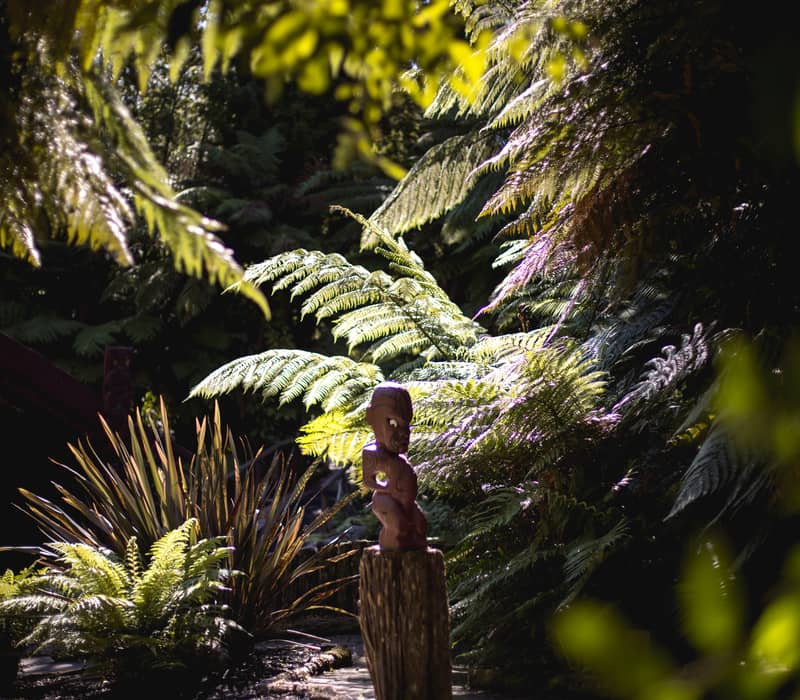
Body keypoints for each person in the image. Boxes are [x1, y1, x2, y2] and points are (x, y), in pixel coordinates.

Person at [361, 382, 427, 551]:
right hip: (385, 501)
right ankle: (390, 545)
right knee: (399, 528)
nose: (405, 434)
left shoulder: (398, 459)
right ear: (370, 417)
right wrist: (386, 487)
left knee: (420, 526)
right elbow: (369, 481)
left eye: (407, 426)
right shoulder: (372, 454)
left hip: (406, 502)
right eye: (392, 423)